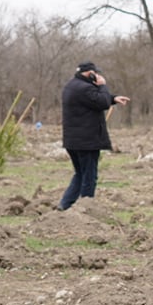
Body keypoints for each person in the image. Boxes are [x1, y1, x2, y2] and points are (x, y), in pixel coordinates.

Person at [58, 60, 125, 210]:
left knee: (80, 174)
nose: (98, 76)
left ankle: (64, 205)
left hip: (73, 141)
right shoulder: (85, 88)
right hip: (87, 142)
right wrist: (102, 85)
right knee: (89, 176)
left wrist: (113, 98)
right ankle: (86, 208)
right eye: (96, 73)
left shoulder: (71, 86)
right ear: (90, 74)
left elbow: (93, 101)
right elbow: (102, 102)